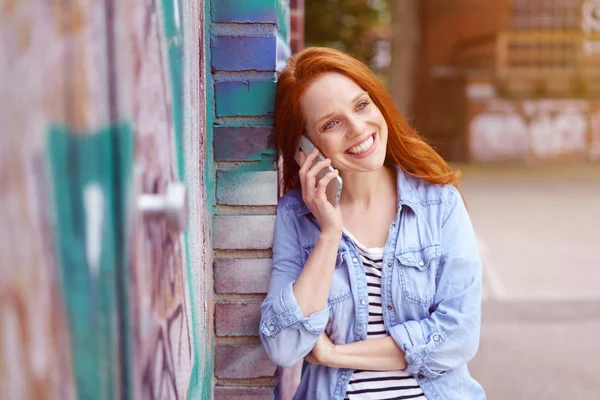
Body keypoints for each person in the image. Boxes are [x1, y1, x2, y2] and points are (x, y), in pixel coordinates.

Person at [259, 47, 486, 400]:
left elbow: (459, 336)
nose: (357, 128)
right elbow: (284, 346)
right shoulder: (296, 217)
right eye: (330, 124)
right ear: (305, 148)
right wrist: (329, 232)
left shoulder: (438, 203)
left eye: (362, 105)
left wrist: (334, 354)